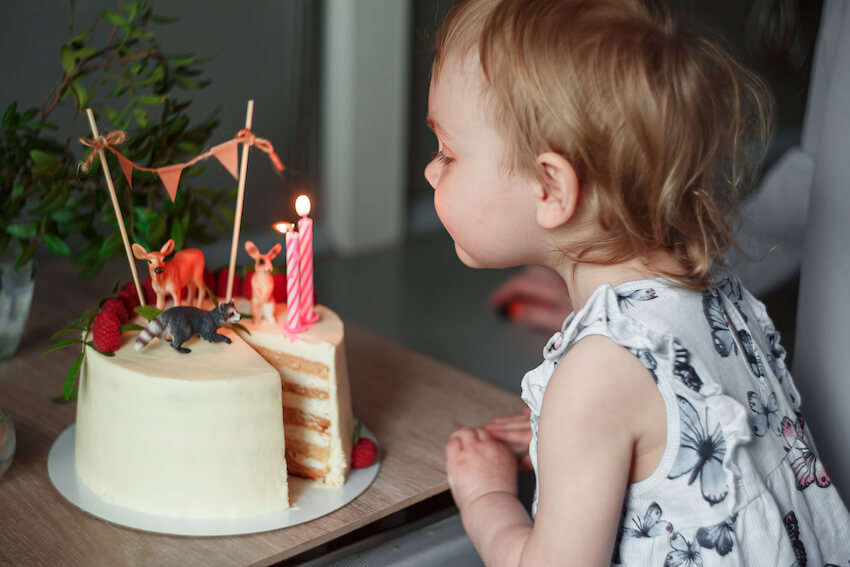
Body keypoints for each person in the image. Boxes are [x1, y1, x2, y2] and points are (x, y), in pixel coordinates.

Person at [424, 0, 850, 564]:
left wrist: (486, 496)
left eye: (447, 153)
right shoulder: (714, 292)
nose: (431, 170)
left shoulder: (594, 379)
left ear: (550, 188)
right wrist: (573, 443)